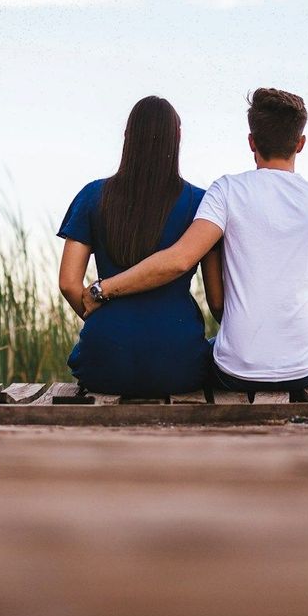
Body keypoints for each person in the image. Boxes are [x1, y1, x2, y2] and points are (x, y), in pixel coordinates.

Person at [82, 87, 308, 393]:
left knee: (210, 349)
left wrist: (103, 288)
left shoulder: (225, 192)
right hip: (307, 369)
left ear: (251, 141)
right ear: (300, 144)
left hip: (235, 371)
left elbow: (190, 269)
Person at [57, 95, 222, 396]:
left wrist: (105, 319)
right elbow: (217, 301)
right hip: (178, 363)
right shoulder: (202, 204)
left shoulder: (92, 196)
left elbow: (69, 283)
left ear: (126, 137)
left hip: (104, 364)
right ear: (178, 138)